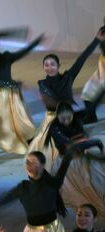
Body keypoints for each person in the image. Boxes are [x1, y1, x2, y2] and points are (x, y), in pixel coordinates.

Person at [28, 29, 105, 170]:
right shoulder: (42, 84)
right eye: (46, 65)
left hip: (69, 118)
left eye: (52, 64)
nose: (49, 67)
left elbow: (82, 58)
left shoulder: (68, 77)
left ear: (58, 66)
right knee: (52, 152)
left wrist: (97, 41)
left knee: (76, 149)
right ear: (43, 67)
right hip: (52, 120)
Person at [48, 99, 105, 226]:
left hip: (83, 155)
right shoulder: (54, 128)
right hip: (68, 162)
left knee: (97, 181)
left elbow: (93, 106)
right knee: (81, 190)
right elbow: (71, 145)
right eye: (63, 119)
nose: (67, 121)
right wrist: (94, 142)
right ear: (57, 117)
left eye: (69, 117)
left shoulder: (77, 117)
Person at [81, 21, 105, 123]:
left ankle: (90, 117)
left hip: (95, 85)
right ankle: (90, 117)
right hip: (93, 89)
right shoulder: (102, 59)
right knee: (88, 93)